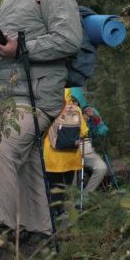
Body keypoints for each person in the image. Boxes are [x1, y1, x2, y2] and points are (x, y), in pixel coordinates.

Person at [0, 0, 83, 242]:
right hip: (12, 98)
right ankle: (39, 231)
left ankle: (0, 230)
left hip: (37, 98)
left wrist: (20, 49)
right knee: (26, 165)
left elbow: (69, 39)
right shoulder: (10, 0)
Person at [43, 88, 88, 216]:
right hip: (71, 158)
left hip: (52, 157)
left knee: (52, 187)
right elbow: (84, 132)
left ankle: (52, 214)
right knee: (65, 187)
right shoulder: (77, 110)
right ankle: (62, 212)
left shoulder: (50, 110)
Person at [68, 87, 109, 194]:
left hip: (86, 148)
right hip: (69, 149)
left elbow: (103, 131)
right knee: (71, 178)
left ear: (80, 101)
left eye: (75, 101)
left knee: (101, 168)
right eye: (70, 100)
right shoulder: (64, 111)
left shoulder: (89, 111)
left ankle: (85, 196)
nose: (72, 103)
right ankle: (70, 205)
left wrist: (94, 118)